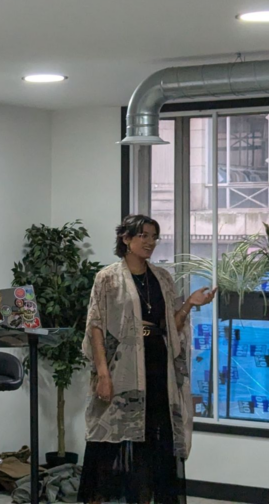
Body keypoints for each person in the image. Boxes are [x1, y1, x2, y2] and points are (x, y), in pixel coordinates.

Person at [78, 214, 216, 504]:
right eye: (143, 236)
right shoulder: (108, 278)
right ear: (126, 239)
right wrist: (103, 374)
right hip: (121, 369)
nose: (150, 242)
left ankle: (143, 498)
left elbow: (171, 326)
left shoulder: (162, 278)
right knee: (109, 441)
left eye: (154, 236)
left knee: (153, 442)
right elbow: (96, 326)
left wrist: (190, 303)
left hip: (156, 369)